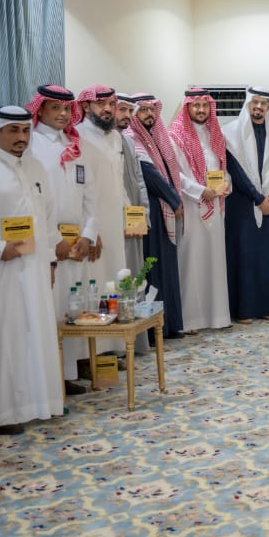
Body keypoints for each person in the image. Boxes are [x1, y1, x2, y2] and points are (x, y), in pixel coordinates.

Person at [0, 106, 62, 435]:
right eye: (13, 131)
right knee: (1, 338)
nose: (22, 137)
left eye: (25, 130)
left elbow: (47, 219)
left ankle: (36, 404)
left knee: (33, 333)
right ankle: (1, 414)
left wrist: (50, 261)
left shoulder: (35, 167)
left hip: (34, 268)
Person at [25, 84, 95, 391]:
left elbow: (90, 196)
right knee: (50, 309)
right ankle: (52, 378)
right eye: (56, 108)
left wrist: (88, 236)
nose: (64, 114)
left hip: (76, 244)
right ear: (40, 109)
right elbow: (32, 201)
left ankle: (68, 374)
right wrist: (54, 240)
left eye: (67, 108)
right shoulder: (30, 144)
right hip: (49, 243)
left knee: (72, 307)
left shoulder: (75, 144)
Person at [223, 87, 269, 323]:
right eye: (255, 102)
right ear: (248, 104)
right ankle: (244, 309)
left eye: (264, 103)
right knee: (244, 254)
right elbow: (234, 170)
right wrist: (257, 198)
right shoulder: (230, 133)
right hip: (242, 203)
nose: (259, 107)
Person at [168, 88, 231, 333]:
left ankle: (217, 316)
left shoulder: (215, 134)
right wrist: (200, 191)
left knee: (214, 260)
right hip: (191, 206)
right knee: (191, 260)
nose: (201, 110)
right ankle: (191, 320)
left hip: (215, 206)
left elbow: (222, 167)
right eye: (196, 105)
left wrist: (226, 184)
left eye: (205, 105)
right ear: (187, 107)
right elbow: (176, 175)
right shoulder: (175, 136)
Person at [124, 93, 184, 338]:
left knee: (166, 266)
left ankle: (169, 324)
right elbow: (149, 173)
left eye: (152, 109)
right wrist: (174, 199)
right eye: (143, 110)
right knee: (154, 267)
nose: (149, 114)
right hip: (150, 208)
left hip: (161, 207)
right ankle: (154, 330)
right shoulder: (131, 136)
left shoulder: (157, 137)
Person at [77, 85, 127, 359]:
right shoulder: (78, 136)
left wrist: (128, 214)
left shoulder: (116, 137)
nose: (107, 109)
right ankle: (91, 353)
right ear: (86, 106)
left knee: (114, 280)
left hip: (115, 221)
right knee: (93, 284)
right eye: (100, 104)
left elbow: (119, 181)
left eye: (111, 104)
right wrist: (89, 229)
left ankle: (113, 347)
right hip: (92, 224)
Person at [114, 93, 152, 353]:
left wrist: (144, 215)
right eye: (122, 109)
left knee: (134, 276)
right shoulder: (93, 142)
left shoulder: (127, 141)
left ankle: (135, 342)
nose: (127, 115)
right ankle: (115, 346)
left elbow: (139, 182)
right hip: (111, 225)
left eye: (130, 111)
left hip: (133, 221)